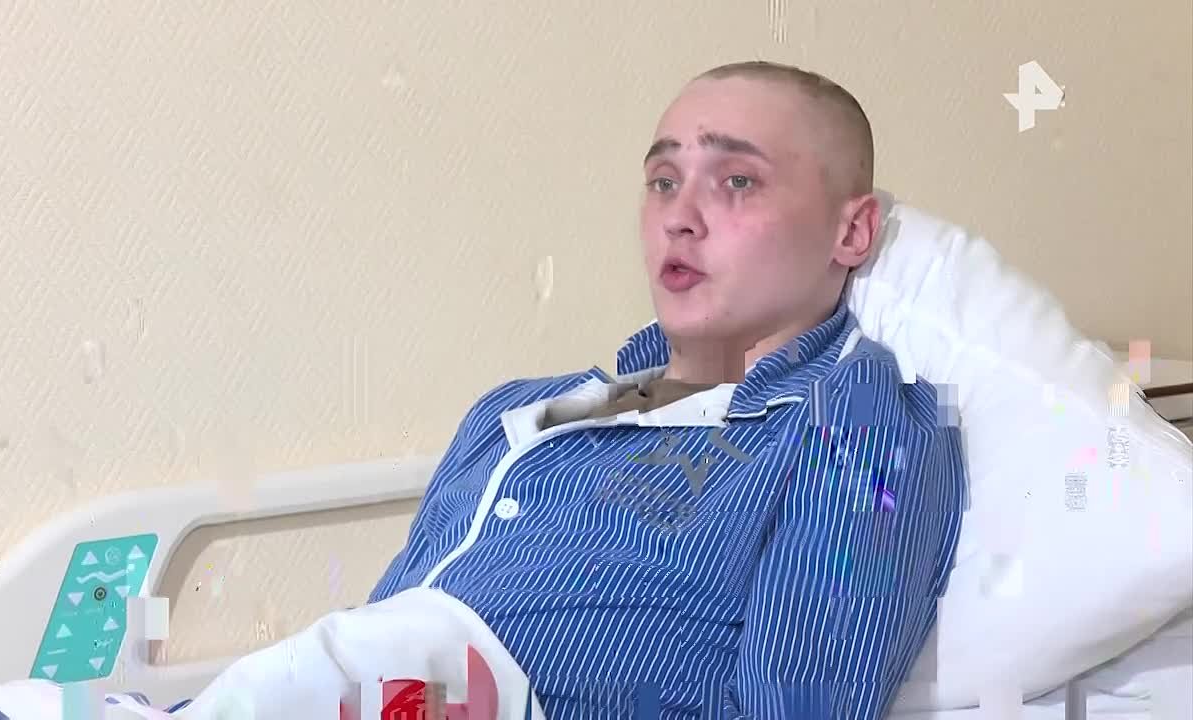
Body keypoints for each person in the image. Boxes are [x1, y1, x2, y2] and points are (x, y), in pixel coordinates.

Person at [367, 60, 968, 719]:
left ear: (851, 233)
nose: (678, 217)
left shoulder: (854, 422)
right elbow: (363, 646)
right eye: (663, 181)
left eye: (737, 181)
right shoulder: (513, 412)